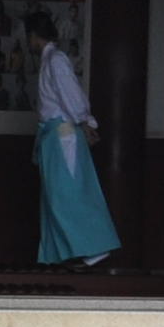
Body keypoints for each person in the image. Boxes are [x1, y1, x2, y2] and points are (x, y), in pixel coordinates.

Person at [32, 38, 122, 269]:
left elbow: (70, 94)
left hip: (63, 132)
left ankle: (93, 248)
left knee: (68, 193)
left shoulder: (56, 60)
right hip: (54, 134)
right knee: (55, 196)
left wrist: (84, 120)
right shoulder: (49, 60)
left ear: (33, 36)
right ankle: (60, 253)